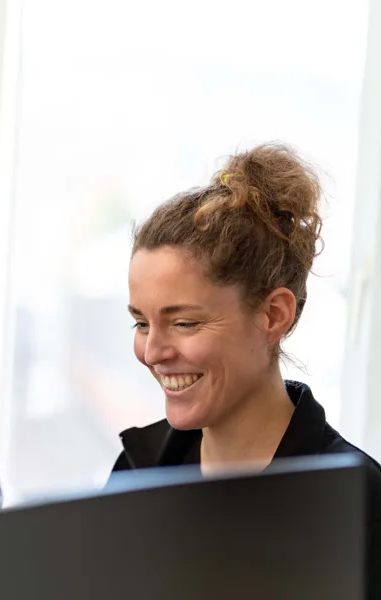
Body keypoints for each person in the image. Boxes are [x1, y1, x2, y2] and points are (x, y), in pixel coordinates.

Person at [111, 143, 381, 597]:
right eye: (141, 322)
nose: (152, 351)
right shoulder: (137, 471)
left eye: (184, 323)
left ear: (273, 315)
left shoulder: (359, 507)